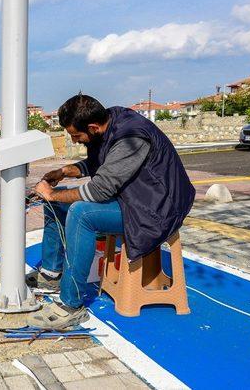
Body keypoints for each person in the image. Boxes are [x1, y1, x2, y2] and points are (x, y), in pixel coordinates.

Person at [27, 93, 195, 329]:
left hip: (156, 209)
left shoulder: (131, 137)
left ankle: (70, 306)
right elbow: (99, 164)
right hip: (135, 198)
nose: (74, 141)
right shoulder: (109, 123)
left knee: (81, 213)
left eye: (76, 135)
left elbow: (99, 190)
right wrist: (64, 172)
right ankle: (52, 275)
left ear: (93, 127)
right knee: (57, 202)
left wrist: (51, 193)